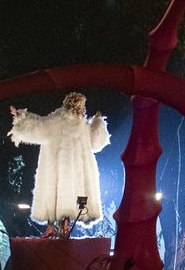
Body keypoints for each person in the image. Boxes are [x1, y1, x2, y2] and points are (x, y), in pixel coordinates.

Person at [9, 92, 111, 238]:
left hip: (74, 170)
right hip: (58, 168)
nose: (80, 107)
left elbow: (95, 142)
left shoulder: (82, 126)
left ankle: (63, 227)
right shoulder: (57, 121)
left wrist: (98, 122)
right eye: (79, 103)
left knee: (66, 197)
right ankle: (54, 228)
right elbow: (38, 127)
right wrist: (20, 116)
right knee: (55, 196)